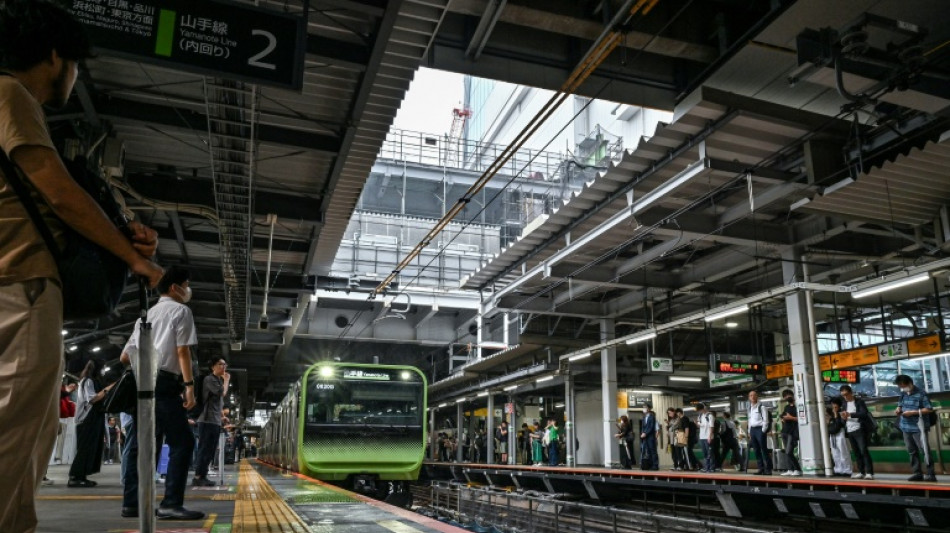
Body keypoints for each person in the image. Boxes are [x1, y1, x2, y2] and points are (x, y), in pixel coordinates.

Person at [0, 2, 162, 530]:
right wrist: (134, 259)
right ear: (54, 56)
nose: (75, 76)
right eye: (75, 64)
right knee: (19, 431)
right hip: (19, 281)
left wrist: (119, 234)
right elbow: (59, 191)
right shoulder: (12, 95)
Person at [120, 266, 204, 520]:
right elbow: (182, 352)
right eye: (186, 284)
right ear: (174, 287)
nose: (188, 289)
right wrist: (189, 387)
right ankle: (170, 503)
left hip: (143, 382)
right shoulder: (181, 311)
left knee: (143, 444)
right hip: (166, 384)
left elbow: (125, 357)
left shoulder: (145, 317)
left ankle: (133, 503)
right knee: (184, 442)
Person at [67, 359, 111, 487]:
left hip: (93, 418)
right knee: (84, 449)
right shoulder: (88, 381)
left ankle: (82, 476)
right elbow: (92, 399)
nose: (104, 371)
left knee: (89, 448)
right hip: (87, 419)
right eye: (103, 368)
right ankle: (75, 477)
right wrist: (107, 390)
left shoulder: (92, 381)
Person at [192, 356, 230, 486]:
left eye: (225, 365)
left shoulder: (217, 380)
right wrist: (226, 381)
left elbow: (218, 402)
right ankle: (198, 476)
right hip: (207, 420)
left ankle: (203, 475)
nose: (223, 367)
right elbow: (221, 393)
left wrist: (221, 416)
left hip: (214, 420)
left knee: (210, 450)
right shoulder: (210, 379)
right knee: (204, 448)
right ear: (213, 366)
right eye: (220, 364)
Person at [894, 375, 937, 482]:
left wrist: (913, 412)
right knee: (911, 451)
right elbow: (900, 404)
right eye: (900, 386)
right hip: (905, 427)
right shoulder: (903, 393)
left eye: (903, 385)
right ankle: (917, 473)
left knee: (924, 450)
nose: (902, 388)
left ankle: (931, 474)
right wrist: (898, 409)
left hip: (919, 427)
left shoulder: (921, 393)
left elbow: (929, 409)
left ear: (910, 383)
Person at [839, 385, 874, 480]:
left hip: (859, 429)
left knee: (863, 450)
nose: (845, 397)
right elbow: (843, 418)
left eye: (846, 394)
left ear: (851, 392)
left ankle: (869, 472)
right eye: (843, 395)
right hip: (850, 430)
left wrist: (850, 414)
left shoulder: (859, 402)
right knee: (856, 452)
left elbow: (863, 413)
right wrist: (843, 418)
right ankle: (861, 471)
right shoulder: (844, 404)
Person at [747, 391, 773, 475]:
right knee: (756, 450)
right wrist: (749, 432)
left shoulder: (762, 407)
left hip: (760, 429)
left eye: (754, 395)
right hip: (753, 430)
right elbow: (749, 420)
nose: (752, 397)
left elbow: (766, 420)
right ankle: (760, 468)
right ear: (749, 398)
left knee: (764, 449)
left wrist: (763, 431)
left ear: (757, 396)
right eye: (751, 395)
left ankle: (768, 469)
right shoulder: (749, 408)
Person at [779, 390, 803, 476]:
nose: (787, 397)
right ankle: (790, 469)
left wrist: (791, 418)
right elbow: (782, 415)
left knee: (789, 451)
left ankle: (797, 469)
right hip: (784, 431)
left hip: (792, 432)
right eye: (785, 396)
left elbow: (801, 418)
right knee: (786, 452)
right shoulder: (786, 407)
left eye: (788, 395)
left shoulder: (798, 406)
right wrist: (783, 418)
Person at [827, 398, 852, 476]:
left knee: (843, 453)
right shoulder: (830, 415)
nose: (833, 406)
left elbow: (840, 424)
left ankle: (847, 470)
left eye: (834, 404)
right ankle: (838, 469)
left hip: (840, 434)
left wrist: (835, 415)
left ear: (838, 405)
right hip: (833, 435)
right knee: (835, 453)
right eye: (832, 404)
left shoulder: (841, 413)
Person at [697, 404, 719, 473]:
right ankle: (706, 467)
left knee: (710, 453)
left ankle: (712, 468)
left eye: (700, 410)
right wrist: (697, 424)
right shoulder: (700, 416)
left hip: (708, 437)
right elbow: (699, 425)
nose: (699, 412)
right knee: (705, 453)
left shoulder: (710, 415)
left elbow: (711, 426)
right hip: (702, 437)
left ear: (703, 408)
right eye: (698, 411)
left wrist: (710, 436)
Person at [639, 403, 658, 470]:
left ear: (649, 409)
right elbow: (643, 427)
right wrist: (642, 433)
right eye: (643, 407)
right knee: (647, 451)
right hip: (645, 437)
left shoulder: (652, 417)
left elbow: (651, 427)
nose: (644, 408)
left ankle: (655, 465)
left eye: (645, 407)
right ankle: (650, 465)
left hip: (650, 437)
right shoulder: (644, 417)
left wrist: (645, 433)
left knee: (653, 451)